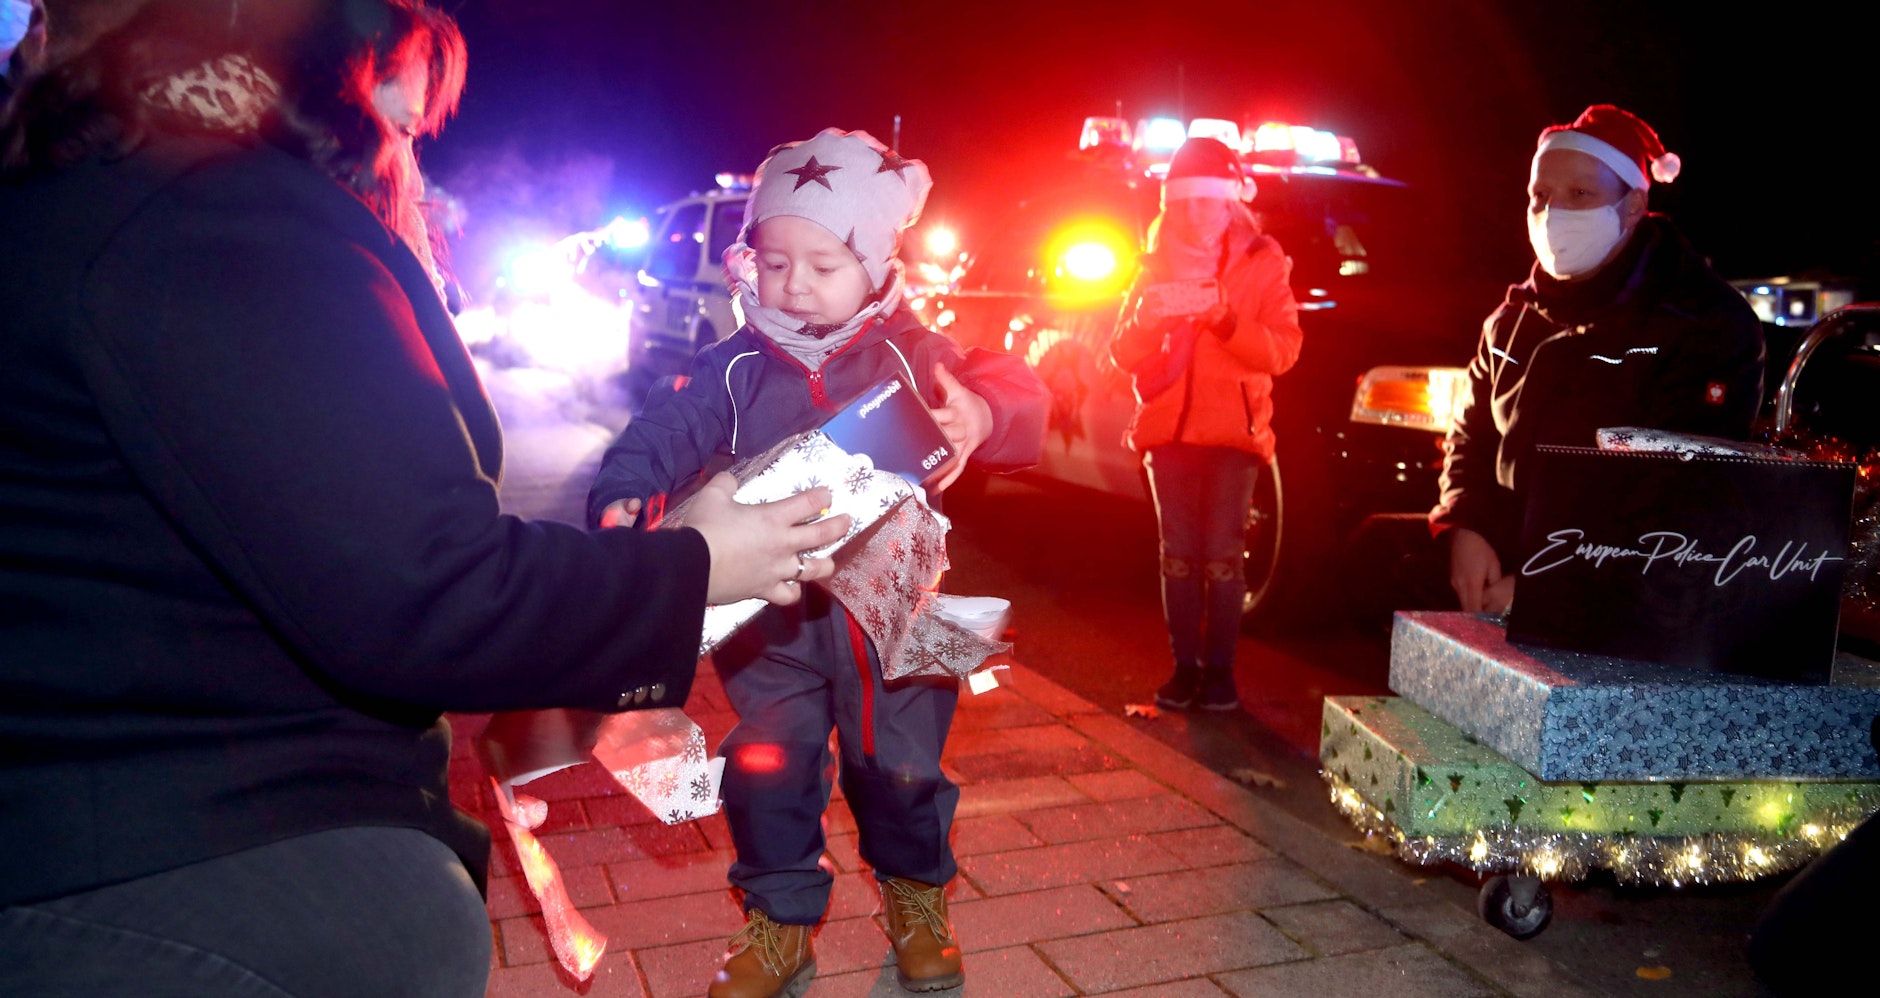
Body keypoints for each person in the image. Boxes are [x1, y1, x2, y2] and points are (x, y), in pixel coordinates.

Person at [0, 3, 847, 995]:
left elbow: (331, 547)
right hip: (137, 830)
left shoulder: (113, 181)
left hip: (111, 767)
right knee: (392, 919)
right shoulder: (216, 216)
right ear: (323, 57)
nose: (406, 139)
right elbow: (423, 582)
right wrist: (687, 564)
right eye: (401, 102)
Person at [587, 127, 1047, 998]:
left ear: (873, 265)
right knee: (770, 763)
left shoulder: (915, 351)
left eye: (823, 264)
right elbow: (658, 432)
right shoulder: (733, 370)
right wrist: (624, 499)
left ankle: (918, 899)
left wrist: (981, 417)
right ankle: (780, 922)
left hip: (898, 616)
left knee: (904, 767)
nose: (794, 284)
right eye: (774, 261)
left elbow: (1015, 385)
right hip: (772, 619)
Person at [1432, 105, 1765, 613]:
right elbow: (1471, 433)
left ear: (1633, 206)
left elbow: (1686, 489)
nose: (1551, 213)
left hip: (1623, 580)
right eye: (1539, 196)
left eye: (1579, 194)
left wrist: (1554, 585)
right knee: (1373, 557)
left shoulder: (1701, 321)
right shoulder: (1515, 315)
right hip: (1503, 555)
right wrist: (1465, 525)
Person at [1110, 136, 1304, 713]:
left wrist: (1225, 320)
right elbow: (1122, 351)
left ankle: (1219, 673)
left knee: (1222, 554)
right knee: (1178, 554)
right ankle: (1183, 669)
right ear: (1172, 204)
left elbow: (1284, 350)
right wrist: (1146, 319)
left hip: (1232, 437)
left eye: (1208, 200)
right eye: (1186, 202)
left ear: (1230, 201)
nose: (1197, 213)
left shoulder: (1262, 260)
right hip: (1167, 433)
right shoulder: (1151, 263)